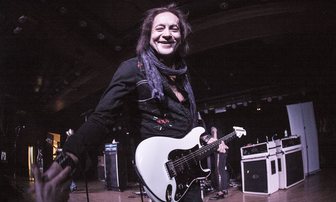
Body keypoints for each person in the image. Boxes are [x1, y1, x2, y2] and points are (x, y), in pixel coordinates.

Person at [31, 3, 228, 202]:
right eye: (160, 28)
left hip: (188, 174)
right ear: (148, 35)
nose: (167, 34)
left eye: (173, 28)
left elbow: (191, 126)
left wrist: (207, 140)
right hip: (161, 172)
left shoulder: (184, 80)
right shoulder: (133, 69)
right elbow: (101, 119)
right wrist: (68, 158)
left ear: (181, 36)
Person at [209, 126, 229, 200]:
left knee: (218, 171)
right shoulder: (221, 131)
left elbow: (215, 140)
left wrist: (214, 132)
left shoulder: (214, 130)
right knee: (222, 170)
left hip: (219, 151)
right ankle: (224, 190)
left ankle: (220, 192)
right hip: (223, 150)